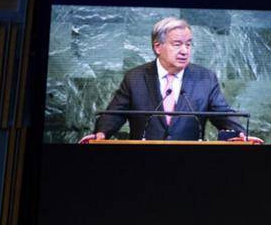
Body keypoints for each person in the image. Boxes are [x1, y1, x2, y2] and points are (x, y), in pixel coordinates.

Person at [81, 17, 260, 143]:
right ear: (157, 47)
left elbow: (223, 114)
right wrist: (101, 133)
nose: (184, 51)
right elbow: (115, 114)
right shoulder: (135, 77)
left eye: (188, 44)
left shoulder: (205, 78)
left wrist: (241, 134)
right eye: (177, 44)